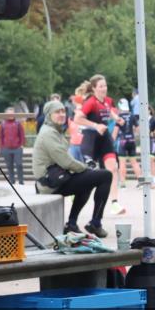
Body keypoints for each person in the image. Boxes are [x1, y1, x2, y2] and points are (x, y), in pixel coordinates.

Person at [32, 100, 112, 237]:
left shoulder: (54, 131)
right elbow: (66, 161)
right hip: (50, 184)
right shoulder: (48, 133)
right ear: (49, 115)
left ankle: (72, 224)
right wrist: (85, 168)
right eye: (57, 112)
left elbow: (65, 161)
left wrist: (84, 170)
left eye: (63, 111)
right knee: (105, 176)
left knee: (87, 181)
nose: (62, 114)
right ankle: (95, 223)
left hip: (56, 178)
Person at [74, 74, 126, 215]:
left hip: (104, 139)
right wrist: (96, 125)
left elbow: (109, 111)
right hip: (91, 140)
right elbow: (77, 119)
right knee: (89, 173)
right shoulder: (90, 102)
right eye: (101, 86)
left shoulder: (107, 101)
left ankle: (114, 203)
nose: (104, 88)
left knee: (113, 168)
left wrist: (117, 119)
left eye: (105, 85)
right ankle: (75, 193)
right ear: (94, 88)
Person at [0, 107, 26, 186]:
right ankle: (12, 181)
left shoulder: (18, 123)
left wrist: (22, 145)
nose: (11, 115)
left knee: (19, 164)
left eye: (12, 113)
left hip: (17, 148)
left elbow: (22, 135)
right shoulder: (2, 124)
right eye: (9, 114)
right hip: (6, 148)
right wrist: (1, 147)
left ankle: (21, 181)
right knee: (9, 166)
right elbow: (0, 137)